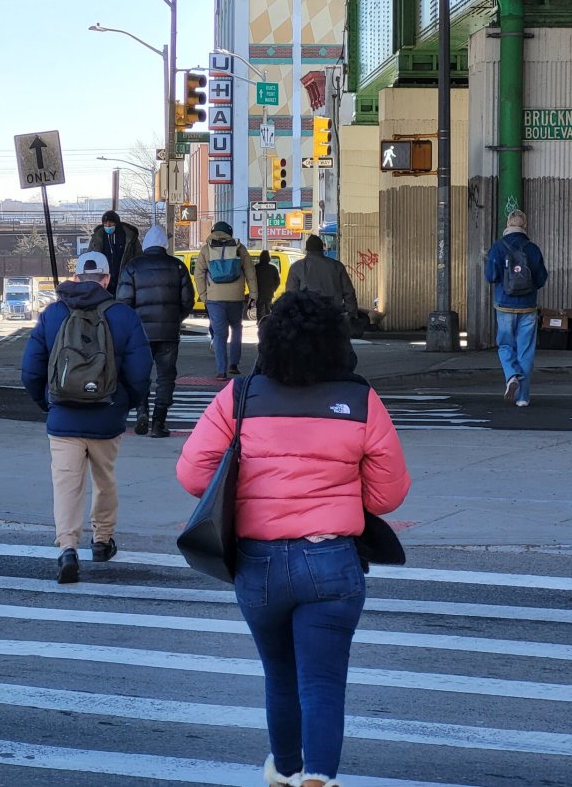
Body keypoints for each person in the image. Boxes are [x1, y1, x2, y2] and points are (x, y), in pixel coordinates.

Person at [177, 290, 410, 787]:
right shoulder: (362, 402)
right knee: (323, 684)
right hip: (332, 563)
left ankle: (284, 771)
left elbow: (194, 476)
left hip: (258, 564)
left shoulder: (237, 398)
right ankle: (320, 778)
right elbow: (389, 495)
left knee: (280, 677)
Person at [21, 251, 153, 584]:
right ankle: (102, 540)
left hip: (63, 417)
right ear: (107, 279)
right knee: (104, 478)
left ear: (77, 277)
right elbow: (140, 370)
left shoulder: (53, 314)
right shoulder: (123, 316)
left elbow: (30, 370)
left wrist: (48, 403)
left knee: (66, 484)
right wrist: (125, 403)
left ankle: (67, 547)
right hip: (107, 415)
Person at [116, 224, 194, 439]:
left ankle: (142, 411)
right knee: (166, 377)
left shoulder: (133, 267)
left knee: (140, 374)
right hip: (169, 332)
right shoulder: (177, 266)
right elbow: (188, 300)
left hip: (140, 333)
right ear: (164, 245)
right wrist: (176, 318)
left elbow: (123, 302)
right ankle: (159, 422)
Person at [484, 209, 549, 408]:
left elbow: (490, 277)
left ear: (508, 224)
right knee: (526, 351)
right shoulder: (532, 248)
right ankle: (523, 397)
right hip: (528, 307)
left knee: (505, 345)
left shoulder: (497, 247)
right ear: (525, 225)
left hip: (504, 305)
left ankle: (511, 375)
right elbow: (541, 278)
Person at [193, 220, 257, 380]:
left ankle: (221, 371)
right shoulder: (239, 248)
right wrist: (253, 295)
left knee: (220, 334)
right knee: (236, 327)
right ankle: (234, 364)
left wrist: (204, 296)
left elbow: (198, 274)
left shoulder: (207, 249)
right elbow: (251, 273)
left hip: (215, 298)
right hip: (236, 297)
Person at [286, 233, 358, 320]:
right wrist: (351, 314)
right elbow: (349, 292)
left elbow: (291, 295)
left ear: (307, 249)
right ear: (322, 248)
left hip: (307, 320)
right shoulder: (337, 266)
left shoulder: (296, 267)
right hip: (333, 318)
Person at [88, 210, 141, 295]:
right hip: (103, 282)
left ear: (117, 223)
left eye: (111, 222)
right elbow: (89, 257)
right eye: (105, 223)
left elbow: (138, 257)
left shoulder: (129, 238)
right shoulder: (97, 239)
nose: (108, 225)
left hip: (126, 280)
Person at [253, 249, 280, 321]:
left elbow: (252, 280)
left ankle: (259, 323)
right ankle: (268, 324)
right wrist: (273, 289)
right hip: (269, 292)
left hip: (258, 292)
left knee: (259, 309)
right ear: (269, 258)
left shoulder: (256, 267)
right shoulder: (273, 268)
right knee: (268, 309)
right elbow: (278, 281)